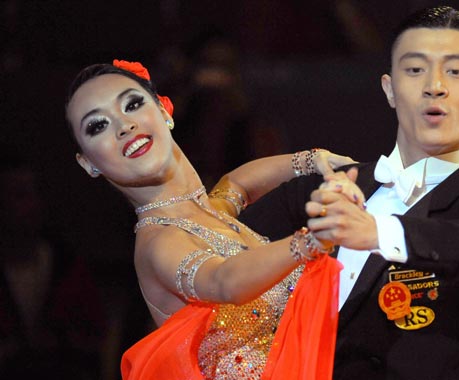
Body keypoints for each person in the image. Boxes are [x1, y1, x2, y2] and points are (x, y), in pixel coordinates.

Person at [238, 5, 459, 379]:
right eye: (415, 69)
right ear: (390, 89)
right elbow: (220, 248)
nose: (435, 86)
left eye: (457, 71)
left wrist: (381, 232)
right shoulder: (328, 187)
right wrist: (227, 192)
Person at [64, 59, 360, 379]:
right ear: (88, 164)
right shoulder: (158, 242)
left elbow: (238, 184)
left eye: (132, 104)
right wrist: (311, 240)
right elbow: (224, 281)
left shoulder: (211, 212)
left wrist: (314, 160)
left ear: (164, 111)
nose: (123, 126)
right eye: (97, 126)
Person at [0, 149, 106, 379]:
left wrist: (59, 341)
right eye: (19, 194)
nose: (31, 204)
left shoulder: (67, 266)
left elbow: (94, 339)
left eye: (34, 193)